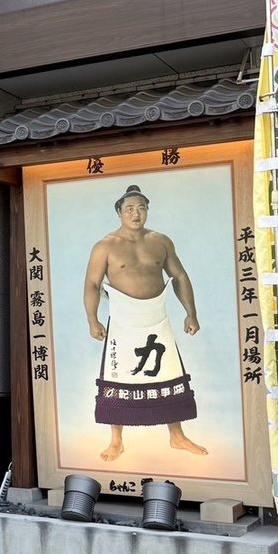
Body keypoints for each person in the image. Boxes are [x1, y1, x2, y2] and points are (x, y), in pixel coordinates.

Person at [83, 184, 207, 462]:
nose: (136, 213)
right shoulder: (105, 245)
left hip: (157, 316)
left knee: (167, 374)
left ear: (147, 210)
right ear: (119, 212)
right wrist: (93, 320)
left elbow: (180, 276)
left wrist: (191, 312)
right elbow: (92, 284)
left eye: (141, 208)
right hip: (123, 320)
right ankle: (116, 441)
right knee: (118, 376)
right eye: (129, 209)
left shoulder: (161, 241)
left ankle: (177, 435)